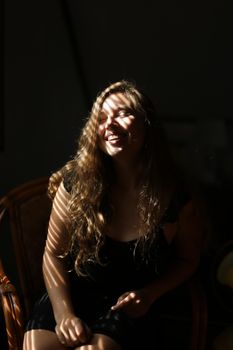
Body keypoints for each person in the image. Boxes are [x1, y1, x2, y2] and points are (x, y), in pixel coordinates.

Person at [23, 80, 204, 350]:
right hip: (71, 295)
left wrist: (150, 294)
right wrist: (64, 316)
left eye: (122, 113)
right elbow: (53, 255)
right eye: (102, 117)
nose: (110, 124)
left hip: (129, 307)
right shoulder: (76, 183)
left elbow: (188, 259)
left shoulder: (174, 195)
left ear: (147, 124)